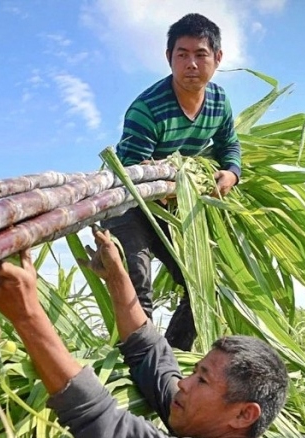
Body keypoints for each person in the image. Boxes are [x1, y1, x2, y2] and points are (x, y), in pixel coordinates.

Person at [0, 227, 288, 438]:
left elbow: (106, 426)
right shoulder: (215, 434)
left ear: (244, 414)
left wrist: (27, 315)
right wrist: (116, 273)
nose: (184, 384)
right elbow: (152, 359)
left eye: (202, 381)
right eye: (194, 371)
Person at [101, 13, 242, 351]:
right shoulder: (147, 108)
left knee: (202, 284)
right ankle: (138, 371)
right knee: (137, 290)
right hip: (129, 205)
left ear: (217, 58)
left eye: (200, 54)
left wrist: (231, 172)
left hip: (172, 208)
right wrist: (171, 184)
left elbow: (229, 145)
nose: (191, 63)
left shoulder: (219, 103)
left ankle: (173, 359)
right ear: (169, 58)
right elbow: (135, 171)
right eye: (182, 55)